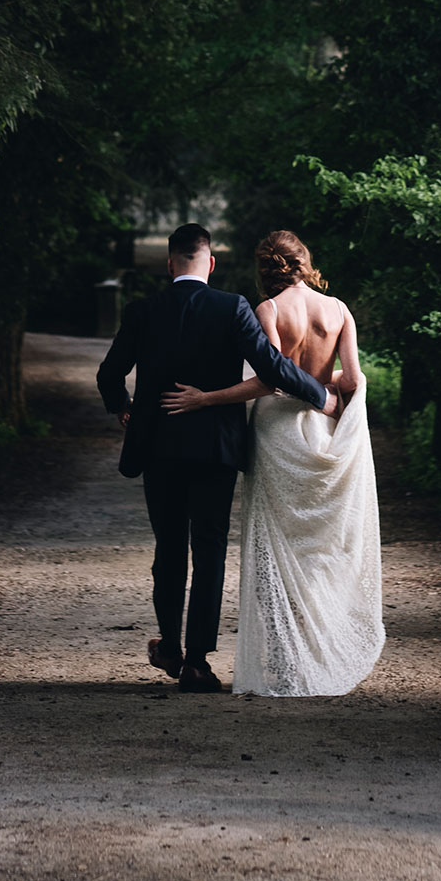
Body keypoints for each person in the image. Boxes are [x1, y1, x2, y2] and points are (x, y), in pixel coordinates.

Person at [96, 221, 337, 693]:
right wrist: (320, 398)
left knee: (168, 548)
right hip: (215, 451)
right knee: (209, 553)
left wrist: (123, 409)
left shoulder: (144, 310)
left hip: (159, 447)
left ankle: (168, 644)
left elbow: (109, 374)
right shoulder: (233, 307)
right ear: (211, 262)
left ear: (170, 264)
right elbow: (272, 366)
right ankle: (197, 664)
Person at [160, 229, 384, 697]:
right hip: (322, 428)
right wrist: (326, 387)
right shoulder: (339, 309)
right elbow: (354, 379)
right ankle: (316, 649)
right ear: (305, 261)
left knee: (273, 544)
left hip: (278, 432)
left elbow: (269, 379)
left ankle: (284, 656)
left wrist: (207, 399)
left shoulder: (270, 310)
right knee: (317, 546)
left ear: (265, 269)